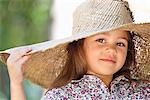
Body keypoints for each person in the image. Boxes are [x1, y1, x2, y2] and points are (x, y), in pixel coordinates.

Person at [0, 0, 150, 99]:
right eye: (101, 40)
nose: (111, 50)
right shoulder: (61, 96)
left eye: (120, 44)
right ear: (79, 46)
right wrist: (16, 83)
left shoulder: (142, 91)